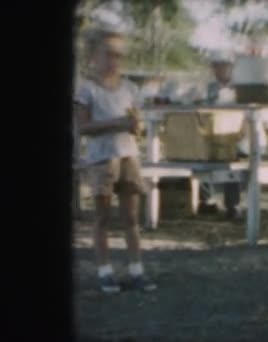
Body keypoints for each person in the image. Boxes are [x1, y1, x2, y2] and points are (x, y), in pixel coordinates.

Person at [74, 27, 156, 294]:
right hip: (101, 160)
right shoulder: (86, 89)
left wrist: (135, 125)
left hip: (128, 155)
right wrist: (117, 123)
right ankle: (105, 271)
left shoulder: (130, 88)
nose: (114, 61)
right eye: (107, 54)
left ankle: (136, 270)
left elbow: (135, 124)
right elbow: (83, 127)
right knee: (102, 218)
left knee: (131, 217)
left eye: (118, 55)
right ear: (93, 56)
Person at [199, 50, 268, 220]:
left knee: (232, 158)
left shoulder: (243, 87)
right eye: (216, 66)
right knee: (199, 152)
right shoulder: (208, 87)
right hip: (216, 134)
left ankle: (233, 205)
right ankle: (206, 200)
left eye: (224, 66)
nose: (220, 70)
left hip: (241, 137)